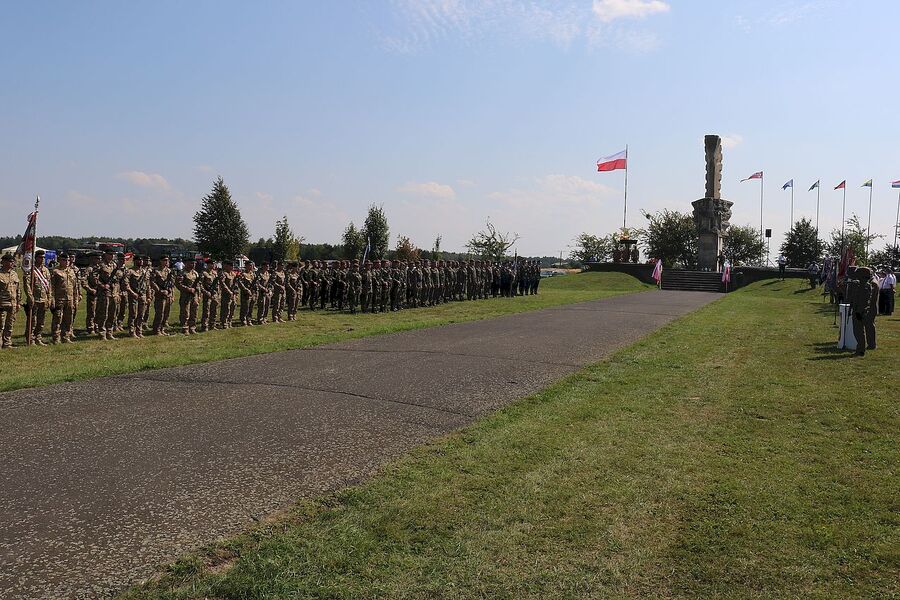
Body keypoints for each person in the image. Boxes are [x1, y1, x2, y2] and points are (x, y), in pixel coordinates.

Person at [847, 266, 879, 356]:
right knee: (862, 330)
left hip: (862, 311)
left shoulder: (866, 285)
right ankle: (864, 347)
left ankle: (861, 349)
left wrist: (858, 311)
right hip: (863, 310)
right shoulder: (862, 284)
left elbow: (865, 300)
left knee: (859, 331)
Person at [24, 249, 51, 345]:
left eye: (44, 258)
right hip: (34, 298)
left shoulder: (46, 270)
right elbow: (26, 284)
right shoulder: (31, 270)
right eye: (40, 257)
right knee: (33, 321)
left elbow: (49, 285)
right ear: (36, 258)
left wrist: (49, 297)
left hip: (44, 299)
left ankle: (38, 338)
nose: (42, 259)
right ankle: (30, 339)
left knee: (41, 321)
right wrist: (30, 296)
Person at [49, 253, 78, 344]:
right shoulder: (55, 271)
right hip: (59, 299)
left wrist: (75, 299)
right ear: (60, 260)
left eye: (68, 260)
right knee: (58, 319)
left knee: (68, 319)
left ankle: (66, 337)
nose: (67, 262)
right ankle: (56, 338)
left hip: (70, 299)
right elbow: (51, 287)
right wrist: (52, 299)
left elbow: (75, 287)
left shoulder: (71, 271)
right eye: (64, 260)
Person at [0, 253, 21, 349]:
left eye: (13, 261)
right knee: (1, 325)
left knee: (10, 324)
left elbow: (18, 290)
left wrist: (18, 302)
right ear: (3, 262)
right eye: (10, 261)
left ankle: (7, 343)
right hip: (2, 303)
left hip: (13, 303)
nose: (12, 263)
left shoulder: (14, 274)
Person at [151, 256, 175, 336]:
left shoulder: (169, 271)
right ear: (161, 261)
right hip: (160, 295)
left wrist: (171, 293)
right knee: (159, 313)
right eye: (164, 260)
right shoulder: (156, 270)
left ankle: (162, 328)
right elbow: (152, 282)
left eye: (167, 260)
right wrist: (159, 290)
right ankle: (156, 330)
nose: (166, 262)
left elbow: (172, 284)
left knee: (166, 313)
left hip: (168, 294)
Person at [176, 257, 201, 334]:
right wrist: (188, 289)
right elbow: (178, 284)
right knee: (185, 313)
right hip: (185, 295)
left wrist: (199, 295)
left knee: (194, 312)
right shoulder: (182, 273)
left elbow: (199, 285)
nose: (193, 265)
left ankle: (192, 327)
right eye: (191, 263)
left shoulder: (195, 273)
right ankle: (185, 328)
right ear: (186, 263)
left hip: (194, 296)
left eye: (194, 263)